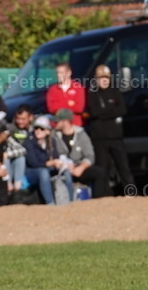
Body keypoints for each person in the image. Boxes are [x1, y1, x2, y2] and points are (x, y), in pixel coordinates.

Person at [85, 64, 134, 193]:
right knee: (103, 168)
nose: (105, 80)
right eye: (101, 78)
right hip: (100, 138)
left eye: (107, 77)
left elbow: (122, 109)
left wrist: (103, 112)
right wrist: (112, 110)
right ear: (96, 79)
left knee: (123, 166)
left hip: (116, 136)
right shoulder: (92, 93)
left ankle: (131, 192)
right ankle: (103, 196)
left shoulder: (115, 91)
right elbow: (94, 112)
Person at [51, 108, 108, 198]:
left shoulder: (81, 134)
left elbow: (90, 155)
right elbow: (52, 154)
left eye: (57, 121)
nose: (55, 124)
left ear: (65, 122)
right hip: (62, 169)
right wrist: (64, 165)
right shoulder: (54, 135)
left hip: (78, 167)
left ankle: (98, 200)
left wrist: (81, 168)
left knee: (100, 172)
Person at [23, 115, 73, 204]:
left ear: (47, 131)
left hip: (47, 168)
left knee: (65, 170)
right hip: (32, 172)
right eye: (36, 128)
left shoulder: (51, 141)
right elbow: (33, 163)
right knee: (43, 173)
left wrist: (59, 163)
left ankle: (71, 200)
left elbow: (56, 156)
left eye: (41, 129)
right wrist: (48, 163)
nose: (38, 131)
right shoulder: (29, 142)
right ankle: (50, 203)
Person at [46, 61, 85, 126]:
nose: (58, 75)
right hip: (57, 126)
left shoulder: (78, 88)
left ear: (69, 73)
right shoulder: (52, 90)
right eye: (57, 73)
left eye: (61, 73)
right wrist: (69, 104)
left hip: (74, 125)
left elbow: (79, 108)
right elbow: (51, 108)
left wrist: (58, 105)